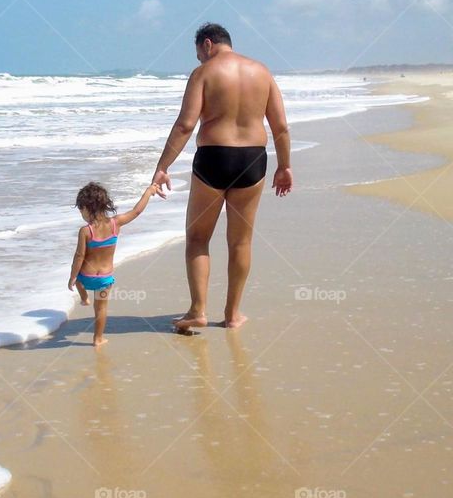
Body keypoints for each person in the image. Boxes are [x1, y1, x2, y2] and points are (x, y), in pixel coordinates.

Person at [151, 23, 292, 333]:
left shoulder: (203, 74)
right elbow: (280, 127)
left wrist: (162, 167)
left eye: (199, 53)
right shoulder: (262, 72)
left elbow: (185, 125)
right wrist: (284, 166)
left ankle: (198, 310)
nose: (200, 59)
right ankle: (233, 314)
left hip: (214, 158)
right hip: (253, 160)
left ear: (208, 44)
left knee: (198, 239)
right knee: (240, 241)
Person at [69, 181, 159, 346]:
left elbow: (79, 256)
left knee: (79, 282)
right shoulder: (116, 223)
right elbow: (137, 211)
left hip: (87, 276)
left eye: (81, 209)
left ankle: (83, 298)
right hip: (104, 279)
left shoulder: (85, 231)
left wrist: (72, 277)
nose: (81, 213)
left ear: (88, 209)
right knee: (101, 308)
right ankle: (98, 338)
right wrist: (148, 192)